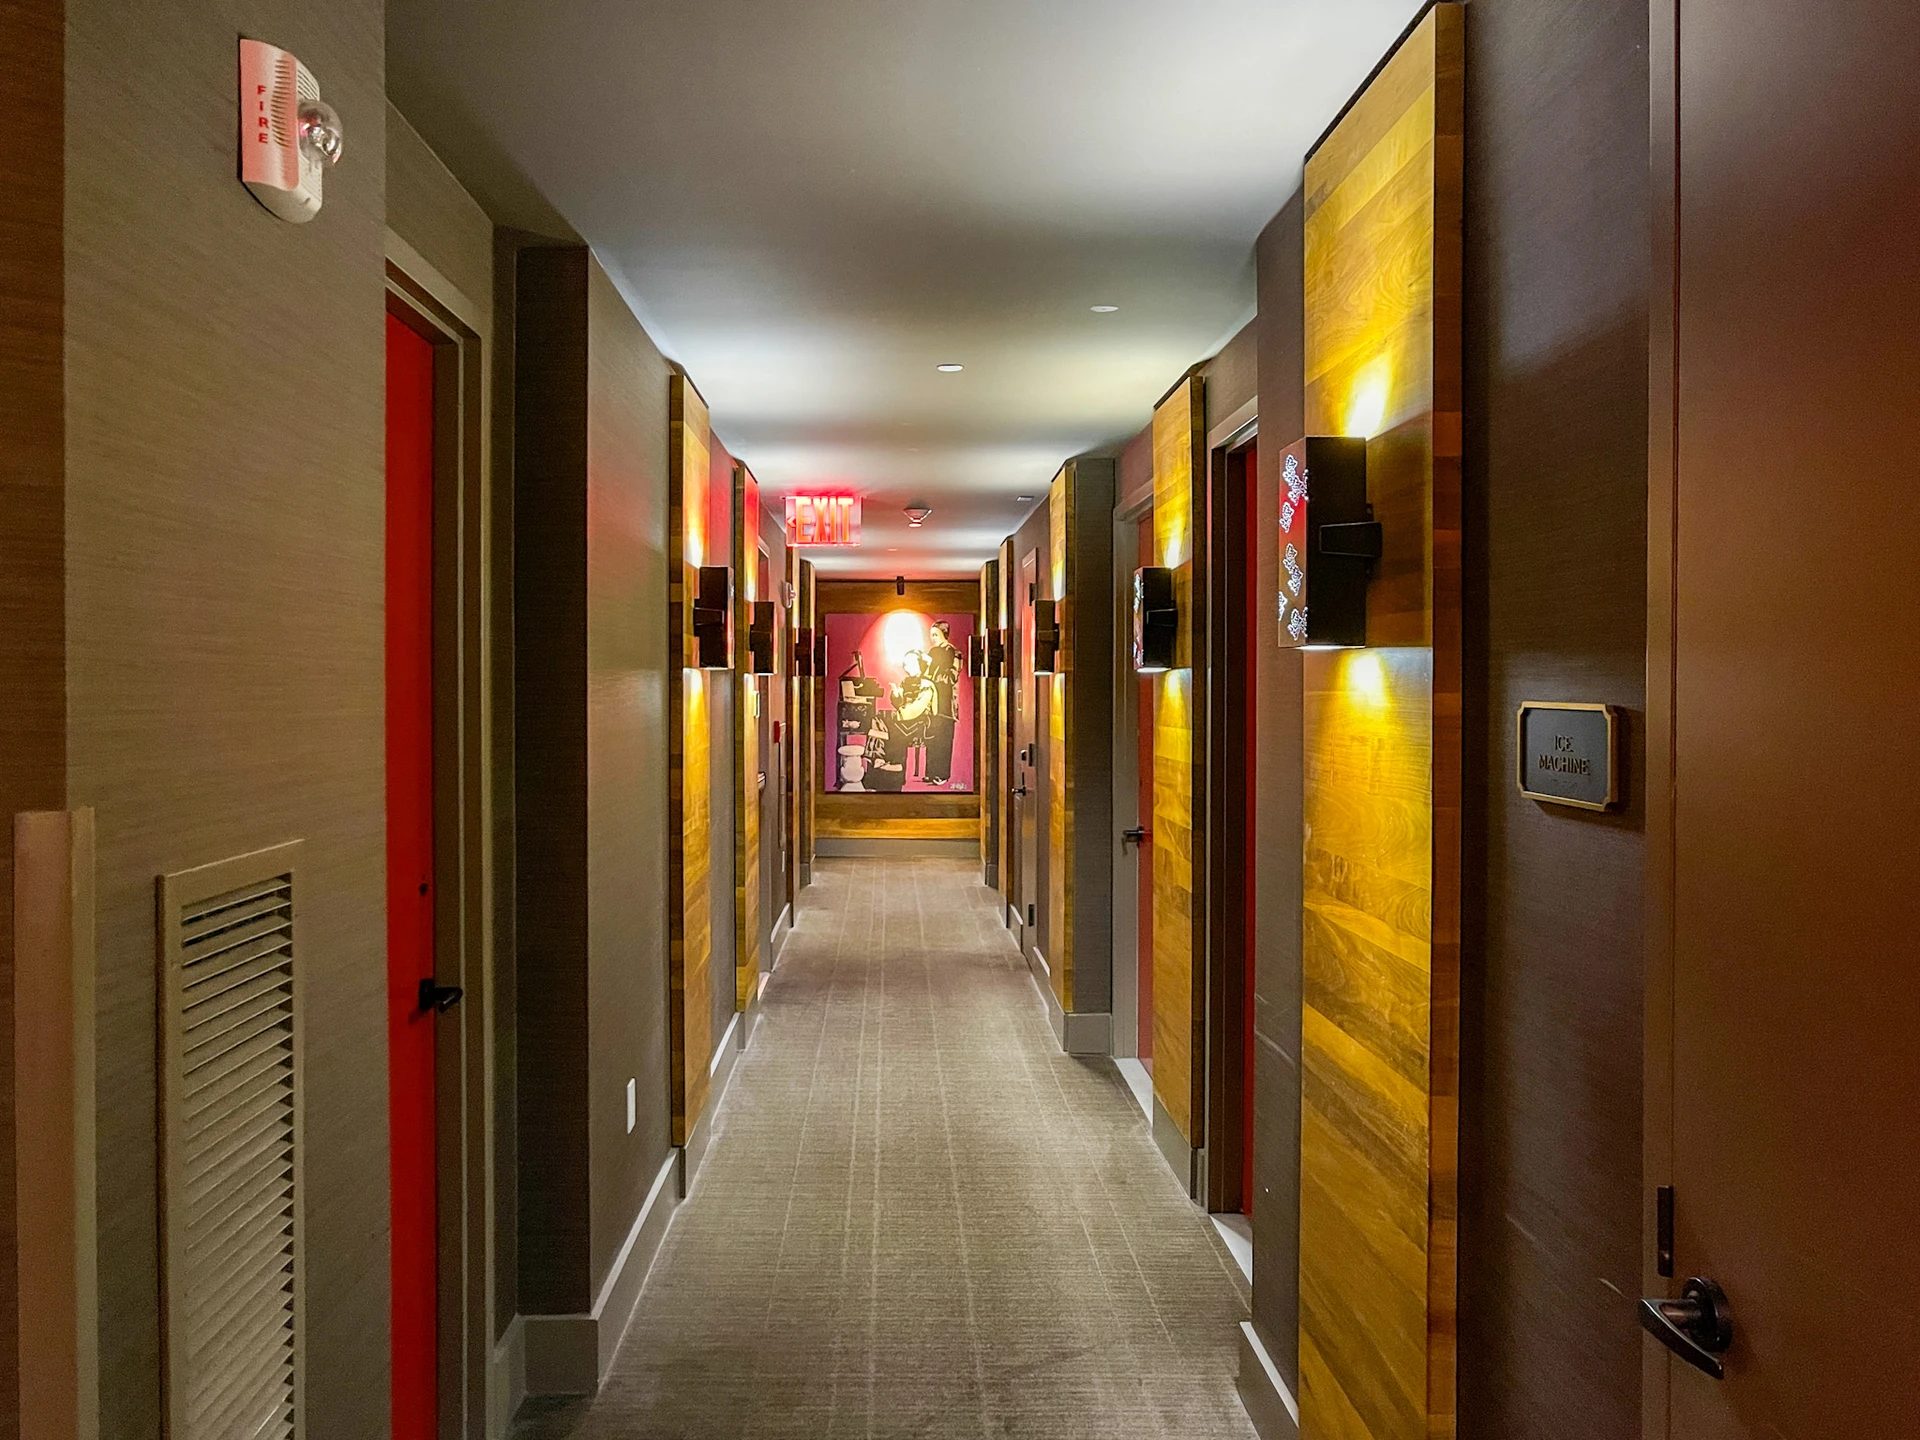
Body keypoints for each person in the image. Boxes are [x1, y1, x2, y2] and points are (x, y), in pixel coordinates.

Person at [924, 620, 960, 785]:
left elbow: (951, 677)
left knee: (944, 739)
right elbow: (927, 674)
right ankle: (931, 772)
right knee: (932, 738)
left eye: (936, 635)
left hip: (946, 703)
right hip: (932, 701)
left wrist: (933, 673)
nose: (933, 638)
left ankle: (942, 774)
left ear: (944, 635)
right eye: (931, 635)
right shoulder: (933, 652)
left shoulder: (954, 653)